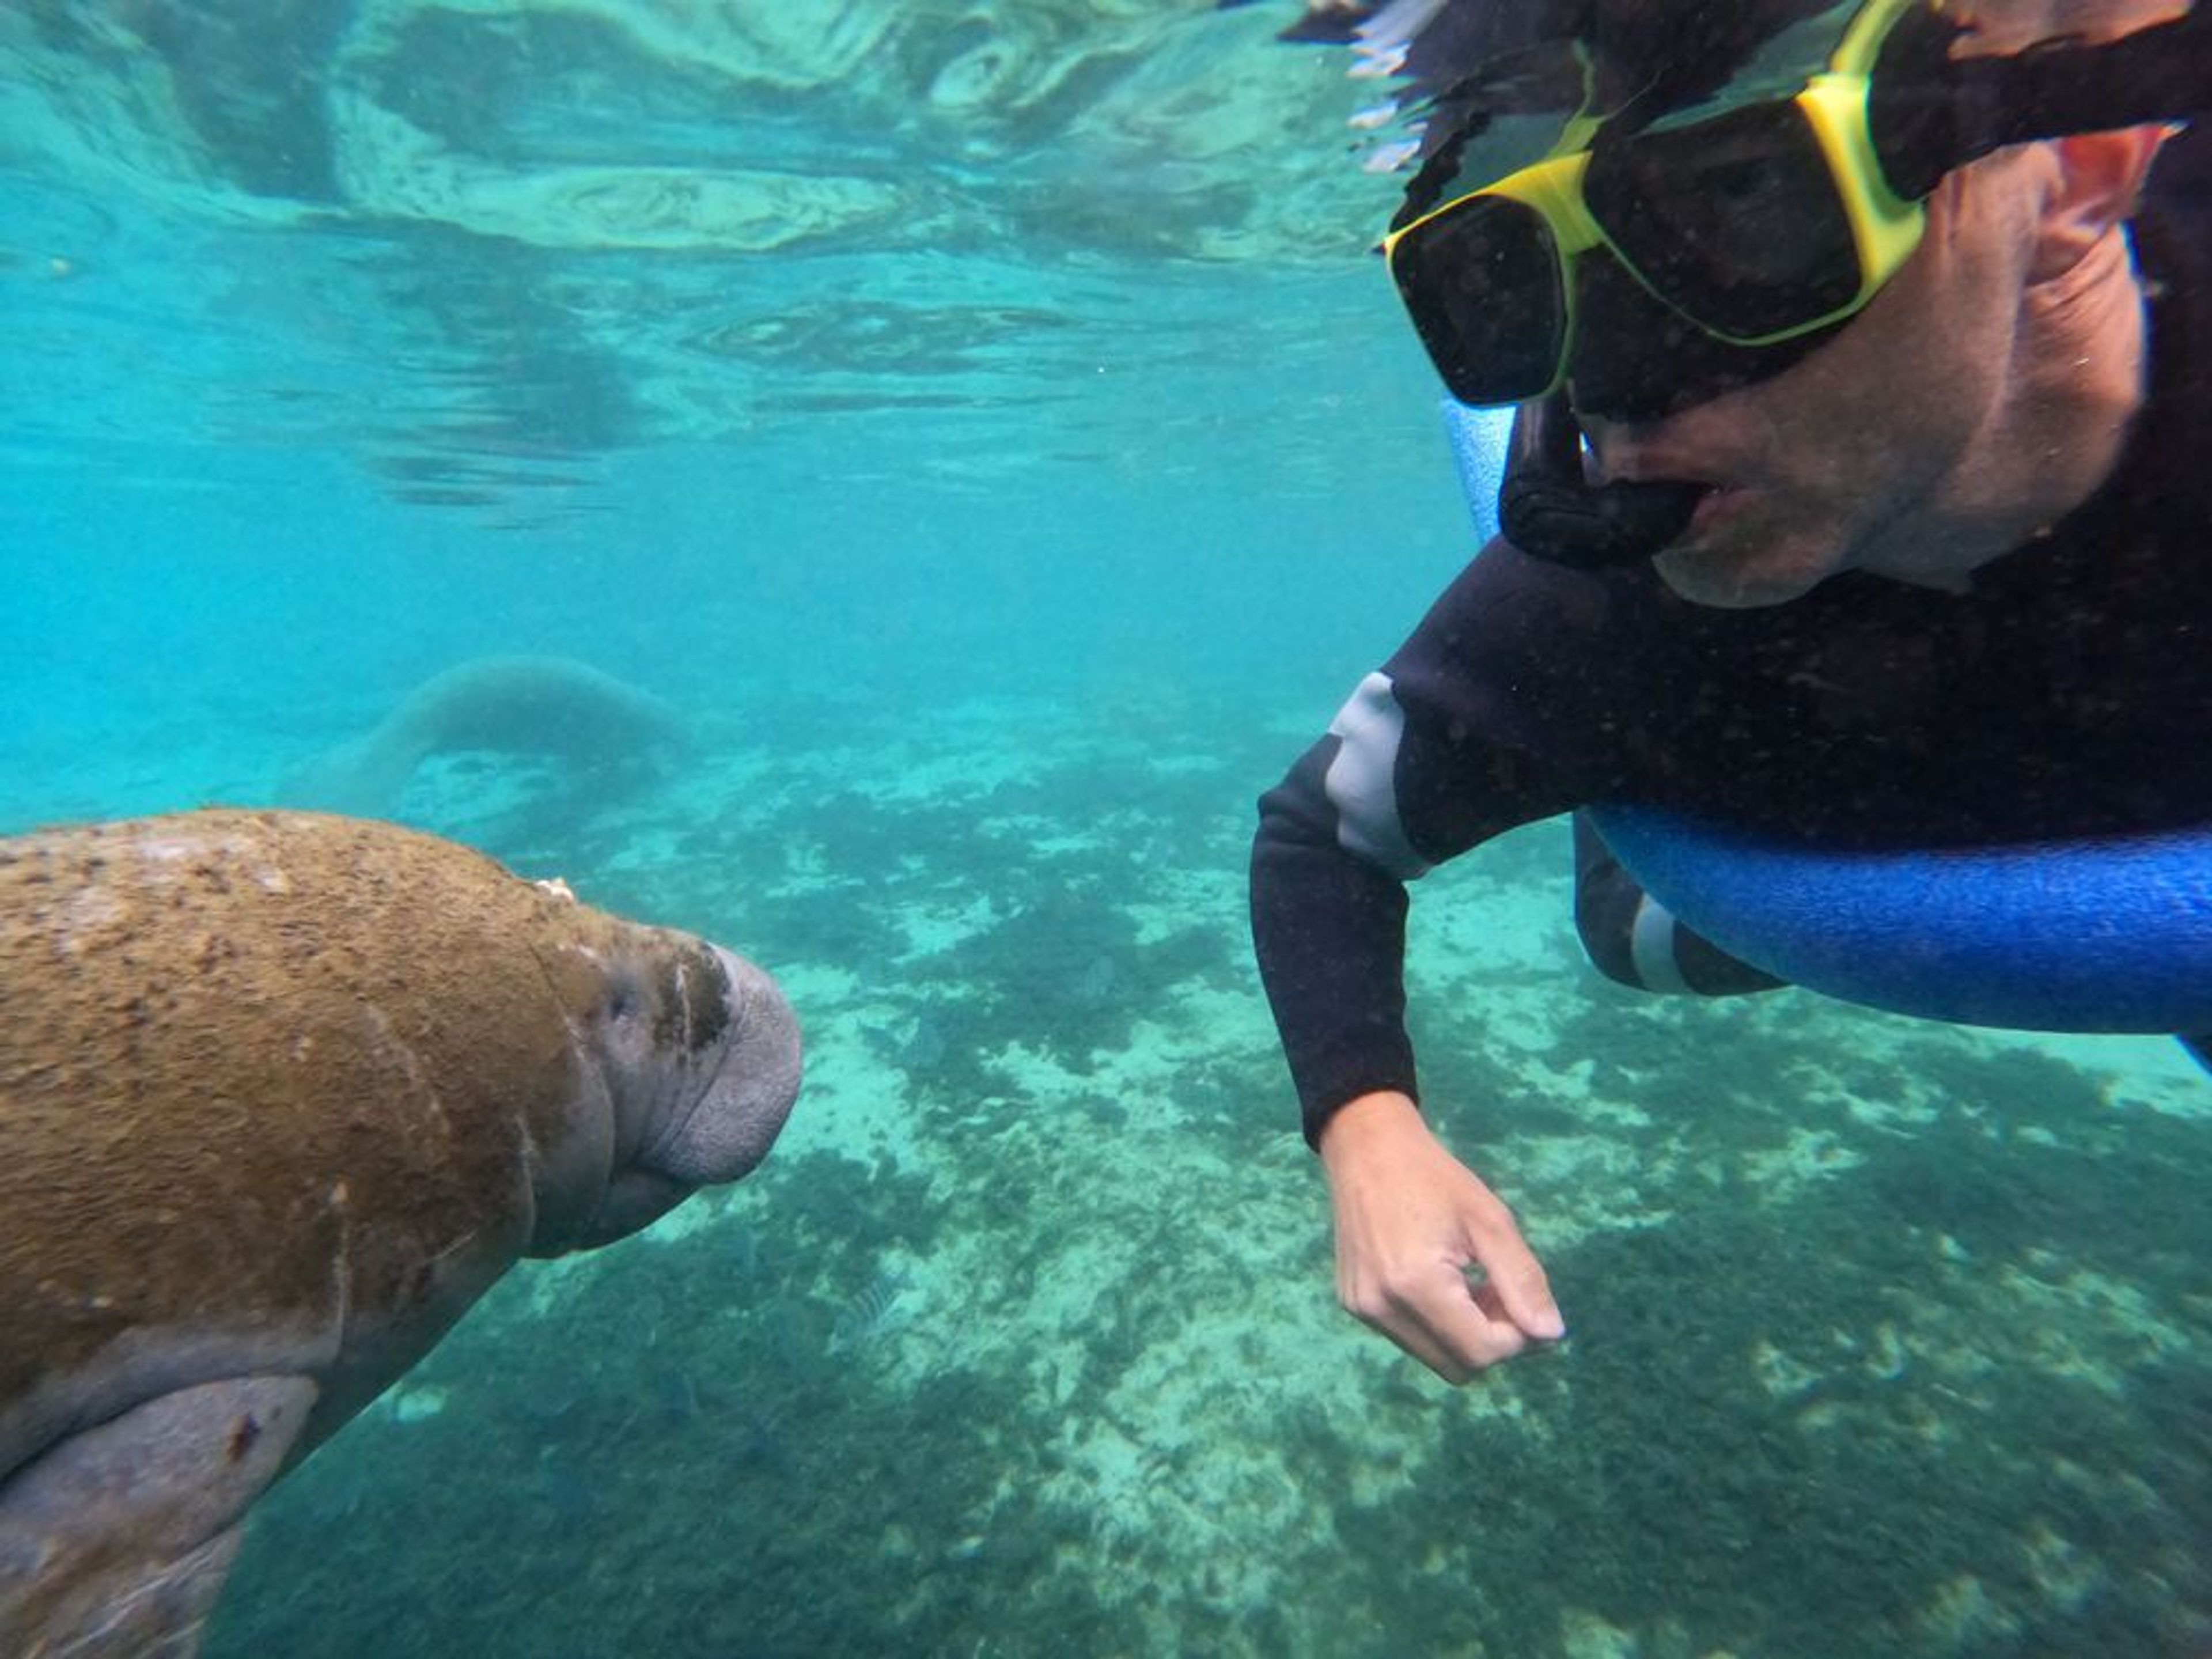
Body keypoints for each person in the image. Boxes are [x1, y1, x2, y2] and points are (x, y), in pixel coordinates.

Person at [1247, 0, 2210, 1384]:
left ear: (2080, 166)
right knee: (1628, 934)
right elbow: (1315, 839)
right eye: (1510, 279)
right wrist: (1367, 1130)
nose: (1619, 411)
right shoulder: (1602, 609)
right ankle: (1624, 811)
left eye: (1749, 205)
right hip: (1754, 805)